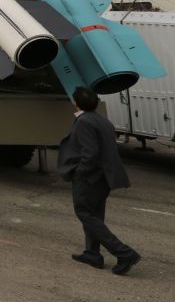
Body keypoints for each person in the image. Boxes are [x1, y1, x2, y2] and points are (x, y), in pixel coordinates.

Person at [58, 87, 141, 275]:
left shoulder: (84, 122)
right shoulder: (102, 120)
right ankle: (92, 253)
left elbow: (91, 153)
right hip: (103, 178)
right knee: (94, 215)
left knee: (85, 214)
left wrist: (80, 172)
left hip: (90, 178)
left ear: (75, 102)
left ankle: (124, 252)